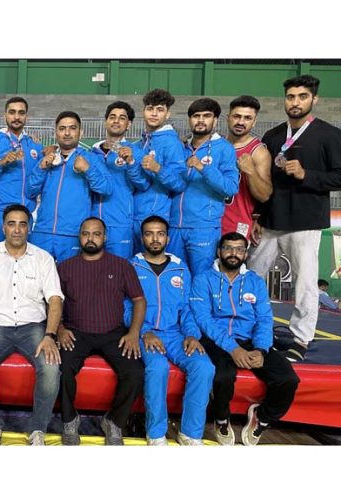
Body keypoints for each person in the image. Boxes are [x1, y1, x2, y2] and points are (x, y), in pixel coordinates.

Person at [248, 75, 341, 361]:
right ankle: (247, 326)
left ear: (314, 100)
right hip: (271, 220)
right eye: (291, 97)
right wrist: (258, 215)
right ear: (285, 100)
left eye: (302, 97)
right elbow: (264, 180)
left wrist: (306, 175)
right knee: (251, 275)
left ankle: (301, 339)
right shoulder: (273, 136)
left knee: (304, 283)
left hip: (306, 222)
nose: (295, 102)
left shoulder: (329, 135)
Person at [190, 232, 299, 446]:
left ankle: (262, 417)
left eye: (239, 249)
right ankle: (221, 419)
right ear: (219, 251)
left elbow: (265, 319)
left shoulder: (255, 282)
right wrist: (232, 349)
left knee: (288, 379)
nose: (233, 253)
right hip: (217, 341)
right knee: (222, 376)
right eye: (228, 248)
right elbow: (203, 319)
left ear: (245, 253)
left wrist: (261, 349)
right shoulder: (203, 279)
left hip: (250, 341)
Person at [0, 204, 63, 446]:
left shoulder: (43, 258)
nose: (17, 229)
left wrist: (50, 335)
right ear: (3, 227)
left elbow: (54, 300)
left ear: (29, 228)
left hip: (33, 327)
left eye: (22, 224)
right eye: (12, 223)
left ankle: (38, 429)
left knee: (51, 368)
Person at [57, 217, 145, 446]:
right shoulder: (65, 267)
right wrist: (60, 329)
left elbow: (139, 300)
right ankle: (69, 420)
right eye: (86, 233)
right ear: (80, 236)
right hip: (76, 332)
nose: (91, 238)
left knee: (135, 371)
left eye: (96, 234)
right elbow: (52, 302)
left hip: (113, 332)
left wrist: (134, 332)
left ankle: (114, 422)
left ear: (104, 237)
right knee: (62, 367)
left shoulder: (121, 265)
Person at [128, 215, 214, 445]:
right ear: (142, 237)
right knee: (157, 367)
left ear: (167, 237)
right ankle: (156, 434)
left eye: (160, 234)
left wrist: (192, 335)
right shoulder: (131, 266)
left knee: (204, 367)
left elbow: (187, 308)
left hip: (176, 334)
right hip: (145, 334)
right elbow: (125, 307)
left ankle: (190, 433)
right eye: (149, 233)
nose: (155, 239)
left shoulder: (180, 268)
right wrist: (143, 331)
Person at [26, 111, 112, 262]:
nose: (67, 133)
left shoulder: (91, 159)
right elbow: (30, 190)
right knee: (36, 282)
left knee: (71, 282)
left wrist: (88, 170)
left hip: (73, 234)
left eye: (72, 128)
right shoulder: (46, 158)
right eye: (62, 128)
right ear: (56, 132)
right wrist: (41, 168)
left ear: (81, 132)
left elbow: (107, 188)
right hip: (42, 232)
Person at [168, 98, 239, 275]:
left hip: (204, 228)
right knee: (175, 278)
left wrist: (203, 168)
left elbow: (230, 188)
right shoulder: (181, 147)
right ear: (190, 120)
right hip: (175, 225)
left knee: (202, 278)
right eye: (195, 116)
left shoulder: (224, 149)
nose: (200, 120)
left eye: (206, 116)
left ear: (215, 120)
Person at [0, 97, 43, 249]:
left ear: (27, 117)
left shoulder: (35, 146)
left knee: (25, 264)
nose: (16, 117)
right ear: (4, 115)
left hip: (25, 214)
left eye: (21, 113)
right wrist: (0, 163)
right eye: (12, 112)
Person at [91, 101, 147, 259]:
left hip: (120, 223)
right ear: (106, 121)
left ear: (129, 124)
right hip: (92, 222)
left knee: (119, 271)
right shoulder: (92, 153)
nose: (116, 121)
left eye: (121, 118)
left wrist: (130, 162)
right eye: (112, 117)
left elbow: (143, 184)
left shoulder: (135, 152)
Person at [132, 89, 186, 254]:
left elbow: (180, 183)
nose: (154, 114)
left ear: (167, 114)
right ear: (143, 111)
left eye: (160, 109)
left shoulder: (171, 143)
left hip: (154, 217)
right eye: (150, 109)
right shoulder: (142, 142)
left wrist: (158, 169)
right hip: (134, 214)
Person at [221, 96, 273, 239]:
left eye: (247, 118)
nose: (241, 122)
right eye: (237, 116)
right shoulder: (217, 146)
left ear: (254, 122)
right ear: (228, 118)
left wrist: (251, 171)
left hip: (238, 223)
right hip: (210, 221)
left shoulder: (258, 152)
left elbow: (264, 195)